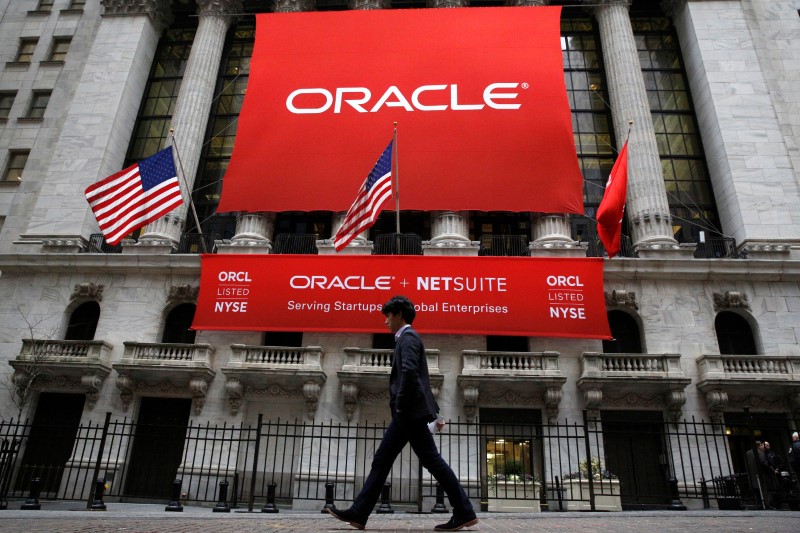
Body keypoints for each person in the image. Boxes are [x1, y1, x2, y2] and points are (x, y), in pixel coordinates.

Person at [327, 296, 478, 532]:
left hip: (407, 413)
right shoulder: (408, 338)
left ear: (398, 314)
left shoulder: (408, 338)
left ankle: (465, 511)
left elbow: (409, 373)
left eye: (388, 316)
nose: (385, 321)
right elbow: (417, 378)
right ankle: (359, 512)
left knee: (421, 461)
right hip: (410, 412)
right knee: (394, 460)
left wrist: (400, 404)